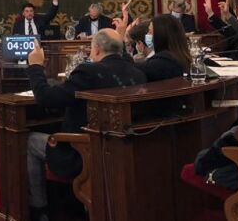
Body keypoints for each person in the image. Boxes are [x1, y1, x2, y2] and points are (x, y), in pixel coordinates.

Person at [24, 30, 146, 221]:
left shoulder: (88, 72)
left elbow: (46, 98)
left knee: (30, 141)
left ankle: (39, 210)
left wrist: (35, 66)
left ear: (96, 50)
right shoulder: (138, 73)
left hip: (83, 152)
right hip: (123, 149)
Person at [137, 14, 191, 81]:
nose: (147, 35)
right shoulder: (181, 56)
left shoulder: (161, 62)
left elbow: (132, 72)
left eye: (150, 32)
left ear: (160, 35)